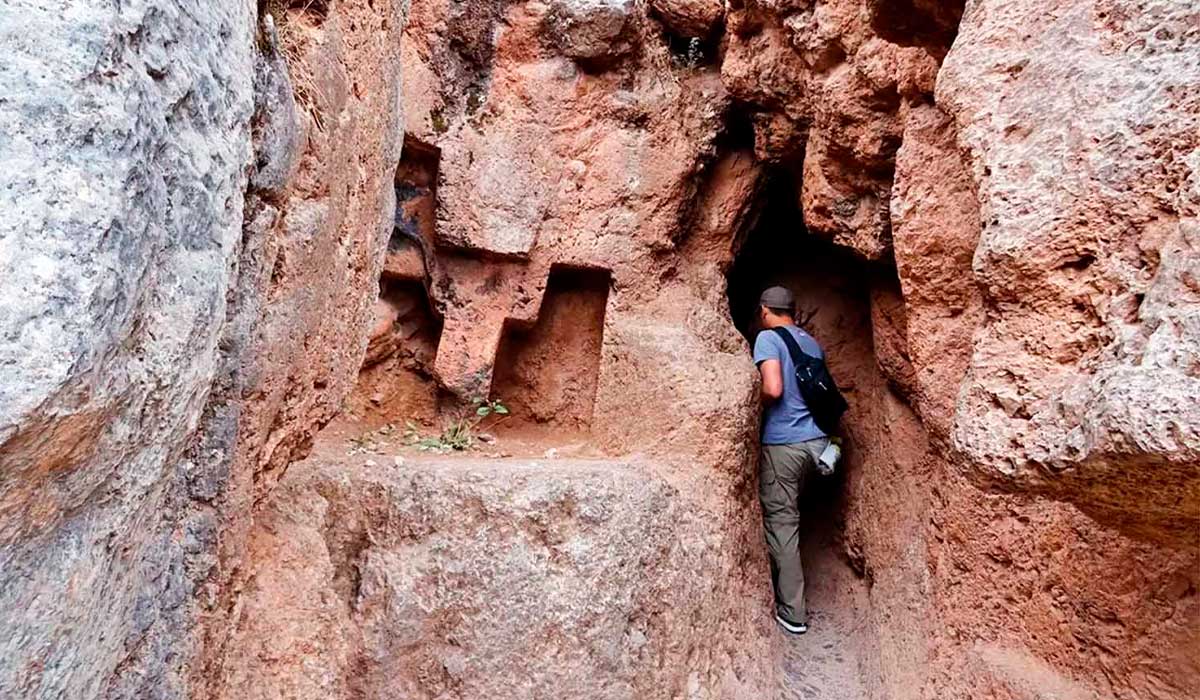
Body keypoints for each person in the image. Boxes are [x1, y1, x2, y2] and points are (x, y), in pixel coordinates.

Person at [752, 285, 831, 635]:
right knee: (796, 513)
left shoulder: (768, 338)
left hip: (784, 444)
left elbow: (773, 388)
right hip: (818, 444)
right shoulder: (811, 342)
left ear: (765, 310)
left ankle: (793, 613)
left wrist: (750, 409)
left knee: (782, 523)